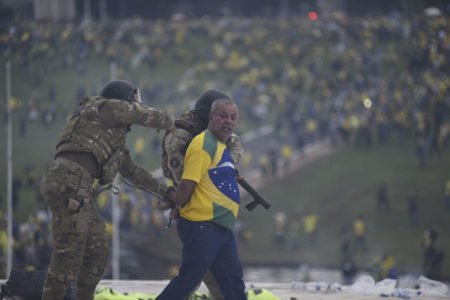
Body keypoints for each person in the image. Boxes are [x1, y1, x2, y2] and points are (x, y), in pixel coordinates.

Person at [40, 79, 177, 300]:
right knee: (68, 256)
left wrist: (164, 190)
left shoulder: (111, 135)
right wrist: (170, 122)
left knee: (97, 250)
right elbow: (139, 113)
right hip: (70, 185)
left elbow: (132, 171)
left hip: (77, 189)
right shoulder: (105, 107)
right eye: (133, 102)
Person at [156, 98, 246, 300]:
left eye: (233, 117)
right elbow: (187, 183)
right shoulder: (204, 144)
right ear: (211, 117)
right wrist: (177, 205)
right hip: (203, 225)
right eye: (223, 116)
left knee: (233, 283)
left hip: (221, 226)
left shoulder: (220, 146)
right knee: (188, 280)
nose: (228, 121)